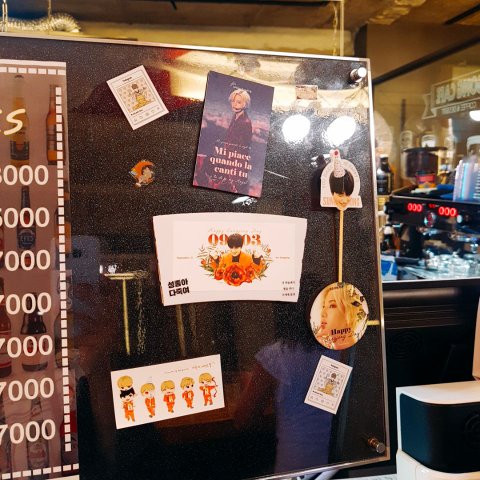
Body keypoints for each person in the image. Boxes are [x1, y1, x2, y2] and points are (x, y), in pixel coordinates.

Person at [312, 282, 368, 350]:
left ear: (348, 311)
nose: (323, 314)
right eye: (323, 306)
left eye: (332, 306)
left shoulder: (358, 350)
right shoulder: (323, 344)